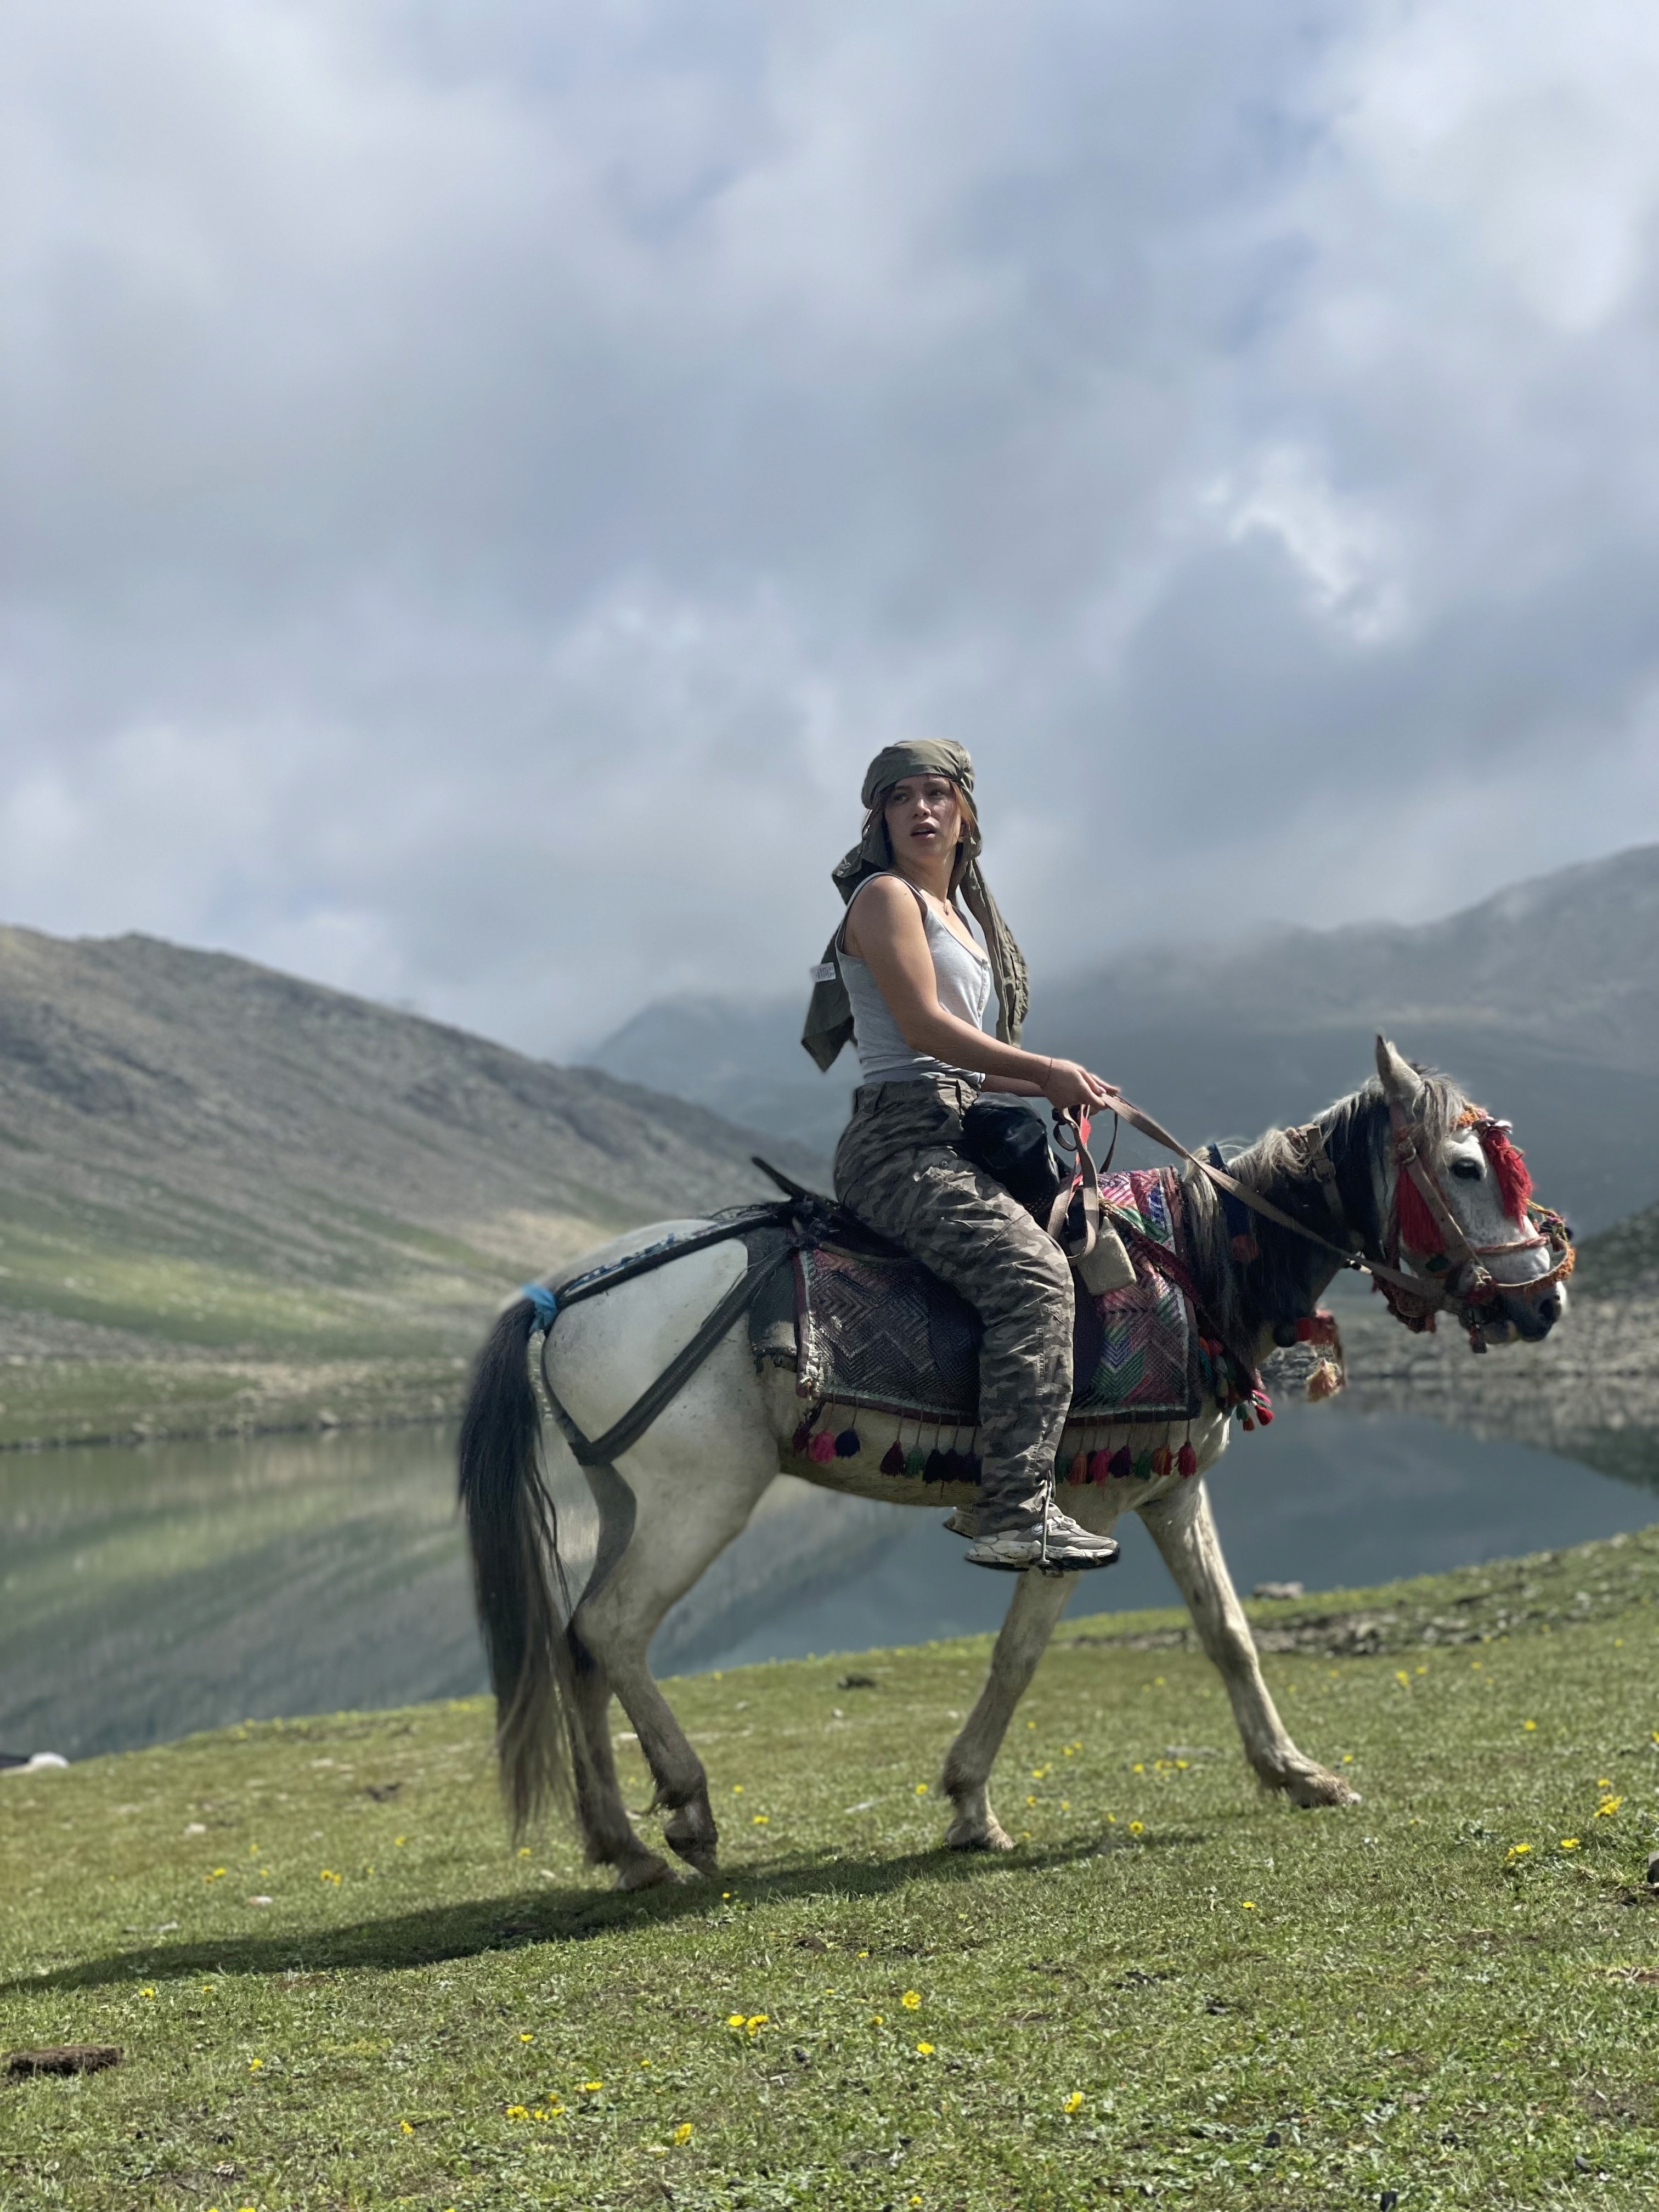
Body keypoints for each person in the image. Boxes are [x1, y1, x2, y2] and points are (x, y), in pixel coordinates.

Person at [802, 740, 1122, 1573]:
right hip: (899, 1143)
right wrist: (1042, 1068)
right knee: (1032, 1281)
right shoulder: (883, 898)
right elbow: (923, 1034)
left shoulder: (968, 921)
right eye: (900, 798)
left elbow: (969, 1061)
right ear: (878, 820)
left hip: (956, 1125)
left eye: (938, 794)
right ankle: (1011, 1510)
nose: (921, 811)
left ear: (965, 812)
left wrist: (1055, 1084)